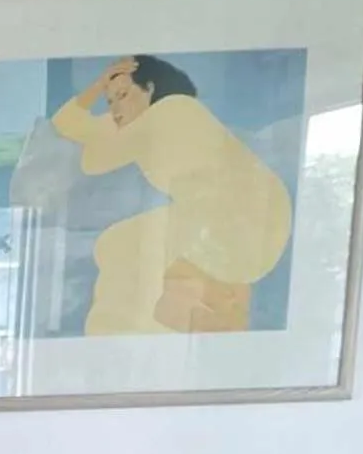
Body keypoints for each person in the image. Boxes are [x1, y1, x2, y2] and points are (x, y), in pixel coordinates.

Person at [51, 55, 293, 335]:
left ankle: (114, 338)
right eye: (110, 100)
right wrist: (98, 84)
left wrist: (96, 137)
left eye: (123, 95)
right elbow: (66, 124)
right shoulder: (136, 125)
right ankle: (137, 336)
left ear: (150, 89)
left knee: (122, 250)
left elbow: (92, 161)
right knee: (116, 246)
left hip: (243, 219)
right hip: (210, 217)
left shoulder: (174, 110)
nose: (115, 108)